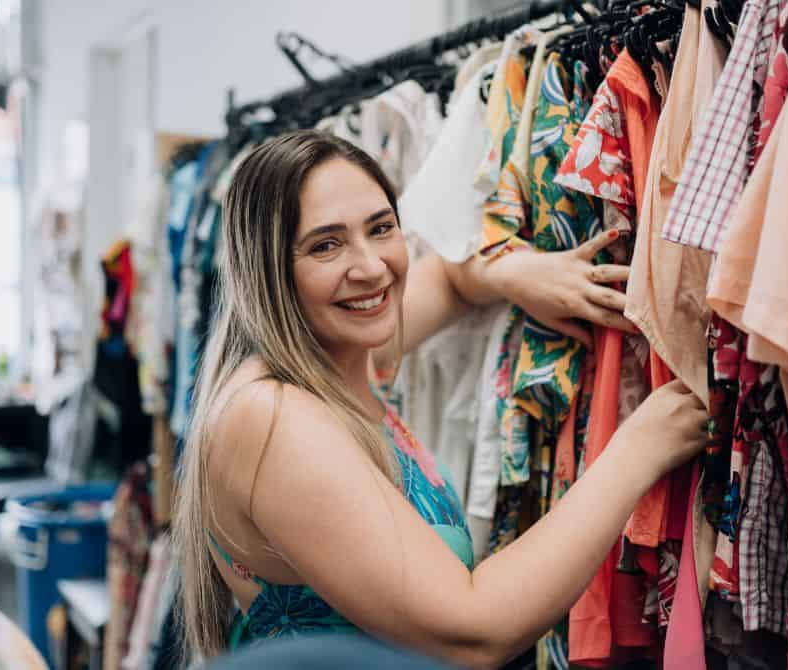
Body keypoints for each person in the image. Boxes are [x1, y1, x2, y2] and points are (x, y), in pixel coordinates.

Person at [173, 130, 706, 668]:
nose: (372, 267)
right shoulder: (272, 418)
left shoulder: (343, 357)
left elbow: (450, 281)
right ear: (267, 270)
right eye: (325, 245)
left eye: (381, 228)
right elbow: (473, 633)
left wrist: (512, 272)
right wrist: (638, 448)